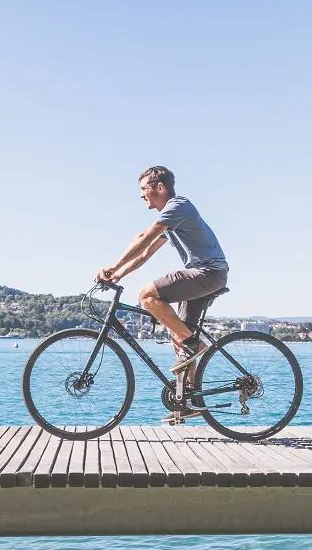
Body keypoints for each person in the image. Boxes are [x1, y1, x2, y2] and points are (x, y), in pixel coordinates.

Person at [97, 166, 229, 409]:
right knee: (179, 335)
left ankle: (194, 344)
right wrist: (118, 274)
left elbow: (145, 236)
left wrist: (113, 266)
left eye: (144, 188)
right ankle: (191, 401)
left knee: (147, 295)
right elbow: (146, 251)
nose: (141, 195)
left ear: (160, 187)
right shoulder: (173, 219)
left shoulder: (178, 206)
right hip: (208, 275)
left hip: (208, 272)